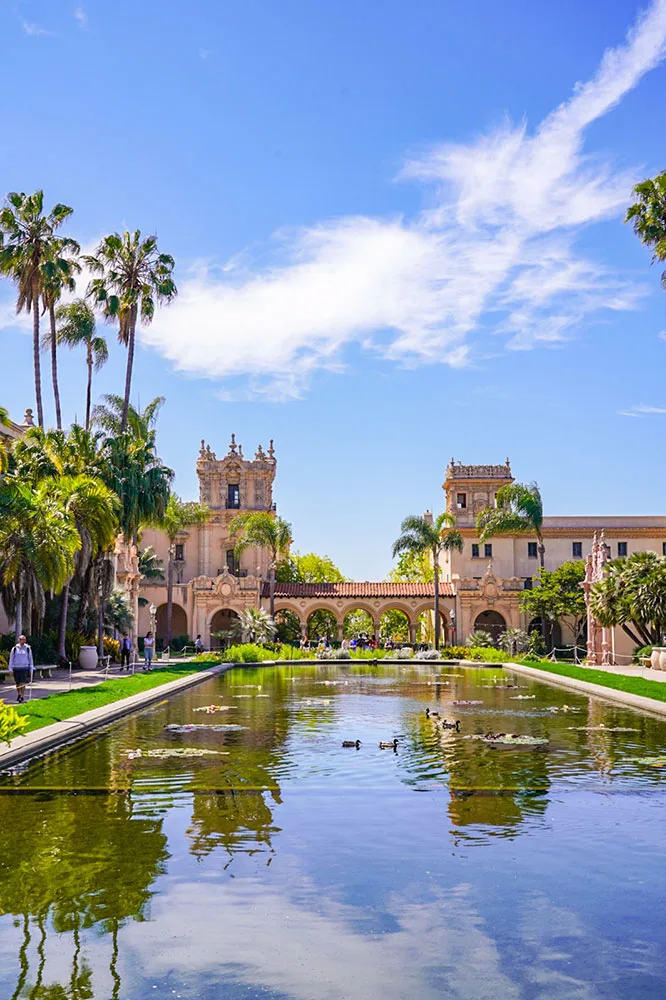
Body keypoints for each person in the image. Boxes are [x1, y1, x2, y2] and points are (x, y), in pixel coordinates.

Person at [9, 635, 33, 703]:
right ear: (19, 640)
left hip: (24, 667)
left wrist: (31, 668)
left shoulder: (28, 648)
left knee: (22, 682)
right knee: (18, 683)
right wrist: (10, 669)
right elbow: (11, 659)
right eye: (21, 639)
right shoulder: (14, 649)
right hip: (16, 668)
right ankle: (19, 694)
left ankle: (22, 696)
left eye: (24, 639)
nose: (22, 641)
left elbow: (30, 659)